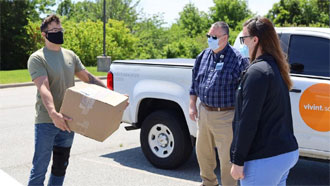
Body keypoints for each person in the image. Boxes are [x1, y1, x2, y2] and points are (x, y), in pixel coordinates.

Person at [27, 14, 108, 186]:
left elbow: (89, 78)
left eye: (60, 29)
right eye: (54, 30)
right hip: (47, 122)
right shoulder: (37, 58)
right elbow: (43, 87)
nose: (59, 33)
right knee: (39, 169)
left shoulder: (70, 55)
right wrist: (53, 113)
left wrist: (112, 96)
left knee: (60, 167)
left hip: (69, 122)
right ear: (44, 34)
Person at [230, 17, 299, 186]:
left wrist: (237, 160)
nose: (242, 44)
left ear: (255, 40)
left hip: (265, 157)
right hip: (284, 153)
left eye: (243, 38)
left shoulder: (257, 72)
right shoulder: (275, 67)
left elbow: (248, 120)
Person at [189, 21, 249, 186]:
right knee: (202, 153)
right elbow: (194, 82)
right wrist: (192, 104)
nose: (210, 39)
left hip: (226, 115)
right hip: (204, 112)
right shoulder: (203, 56)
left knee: (227, 158)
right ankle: (208, 183)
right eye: (209, 36)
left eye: (214, 37)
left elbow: (245, 89)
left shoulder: (238, 59)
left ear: (226, 37)